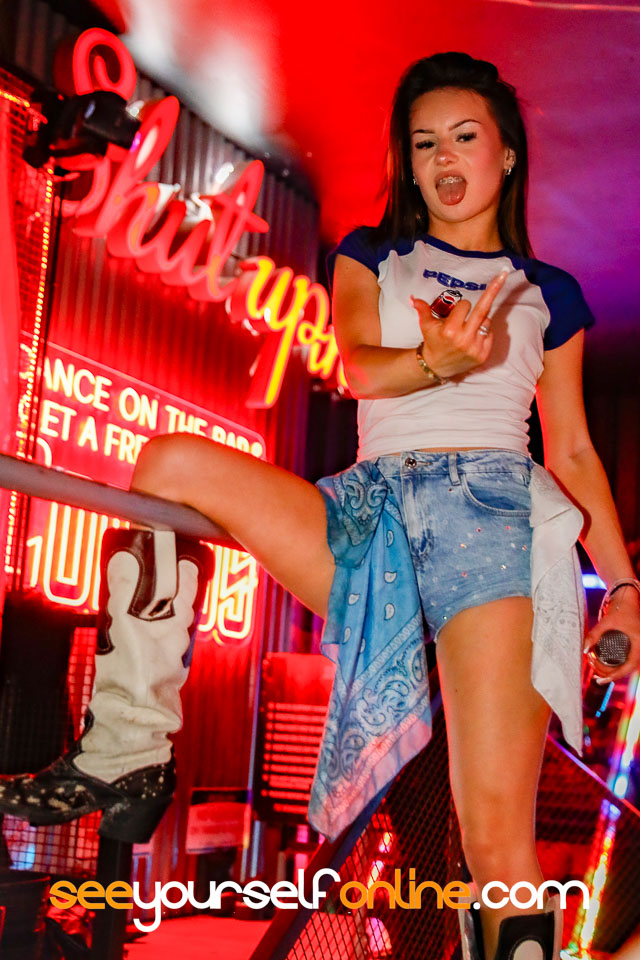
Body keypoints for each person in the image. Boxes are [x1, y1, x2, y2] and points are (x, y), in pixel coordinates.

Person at [0, 51, 638, 960]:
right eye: (423, 142)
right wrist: (437, 361)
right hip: (373, 512)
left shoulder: (547, 292)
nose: (443, 157)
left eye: (464, 136)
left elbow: (571, 450)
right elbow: (357, 366)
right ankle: (129, 750)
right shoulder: (372, 254)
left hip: (493, 522)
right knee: (168, 460)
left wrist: (623, 588)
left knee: (496, 838)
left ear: (506, 154)